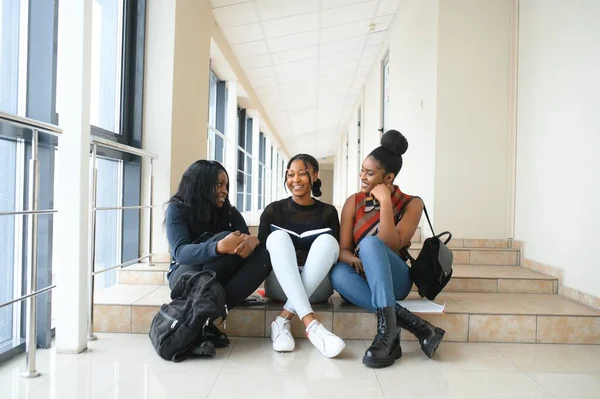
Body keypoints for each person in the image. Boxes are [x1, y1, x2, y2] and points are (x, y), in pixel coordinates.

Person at [330, 130, 445, 368]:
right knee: (337, 274)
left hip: (396, 279)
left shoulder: (413, 204)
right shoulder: (353, 202)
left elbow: (391, 243)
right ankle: (417, 327)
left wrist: (384, 202)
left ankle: (386, 334)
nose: (362, 176)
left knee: (372, 243)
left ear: (389, 177)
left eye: (370, 173)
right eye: (362, 170)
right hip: (362, 276)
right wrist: (353, 259)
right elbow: (342, 249)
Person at [165, 160, 272, 348]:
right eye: (219, 184)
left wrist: (254, 241)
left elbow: (245, 240)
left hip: (218, 279)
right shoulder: (178, 208)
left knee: (263, 257)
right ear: (202, 183)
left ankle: (206, 319)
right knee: (224, 237)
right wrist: (219, 246)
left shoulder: (229, 213)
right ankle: (200, 320)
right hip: (184, 278)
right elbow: (181, 252)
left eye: (227, 186)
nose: (225, 191)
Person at [258, 154, 345, 358]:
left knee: (328, 242)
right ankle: (312, 325)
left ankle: (282, 319)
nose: (295, 179)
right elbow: (262, 250)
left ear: (314, 175)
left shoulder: (328, 212)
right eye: (290, 174)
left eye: (302, 174)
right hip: (279, 285)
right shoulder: (273, 210)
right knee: (277, 238)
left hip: (317, 288)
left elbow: (333, 252)